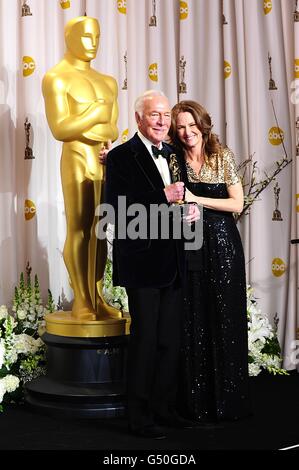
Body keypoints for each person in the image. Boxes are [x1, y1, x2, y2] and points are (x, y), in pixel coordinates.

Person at [105, 90, 199, 439]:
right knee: (145, 341)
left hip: (174, 259)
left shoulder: (174, 154)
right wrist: (163, 196)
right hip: (142, 262)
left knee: (169, 341)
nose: (162, 121)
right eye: (154, 115)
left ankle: (165, 409)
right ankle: (139, 418)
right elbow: (115, 208)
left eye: (165, 115)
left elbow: (182, 197)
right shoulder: (119, 157)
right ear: (139, 120)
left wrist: (188, 211)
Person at [168, 100, 251, 423]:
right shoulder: (174, 160)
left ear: (203, 125)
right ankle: (194, 403)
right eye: (181, 127)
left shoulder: (222, 156)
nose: (187, 133)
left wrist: (195, 198)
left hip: (224, 246)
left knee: (225, 318)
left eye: (192, 125)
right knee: (192, 319)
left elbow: (236, 204)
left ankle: (228, 402)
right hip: (189, 244)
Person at [42, 16, 120, 321]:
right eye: (86, 37)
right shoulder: (56, 78)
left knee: (100, 230)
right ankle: (81, 299)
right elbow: (61, 129)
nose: (93, 44)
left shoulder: (108, 81)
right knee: (80, 227)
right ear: (70, 38)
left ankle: (97, 296)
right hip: (75, 157)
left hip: (102, 159)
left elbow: (112, 129)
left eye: (97, 37)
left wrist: (92, 123)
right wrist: (95, 113)